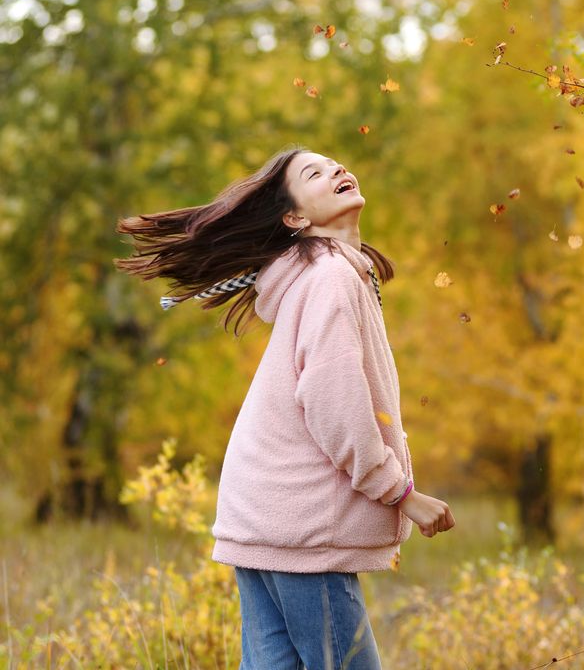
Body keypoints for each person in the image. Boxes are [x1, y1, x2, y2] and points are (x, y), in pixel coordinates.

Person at [114, 145, 455, 670]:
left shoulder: (325, 275)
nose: (337, 169)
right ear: (295, 217)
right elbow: (335, 405)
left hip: (266, 513)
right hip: (301, 523)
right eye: (314, 173)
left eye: (335, 163)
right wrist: (401, 493)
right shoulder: (331, 277)